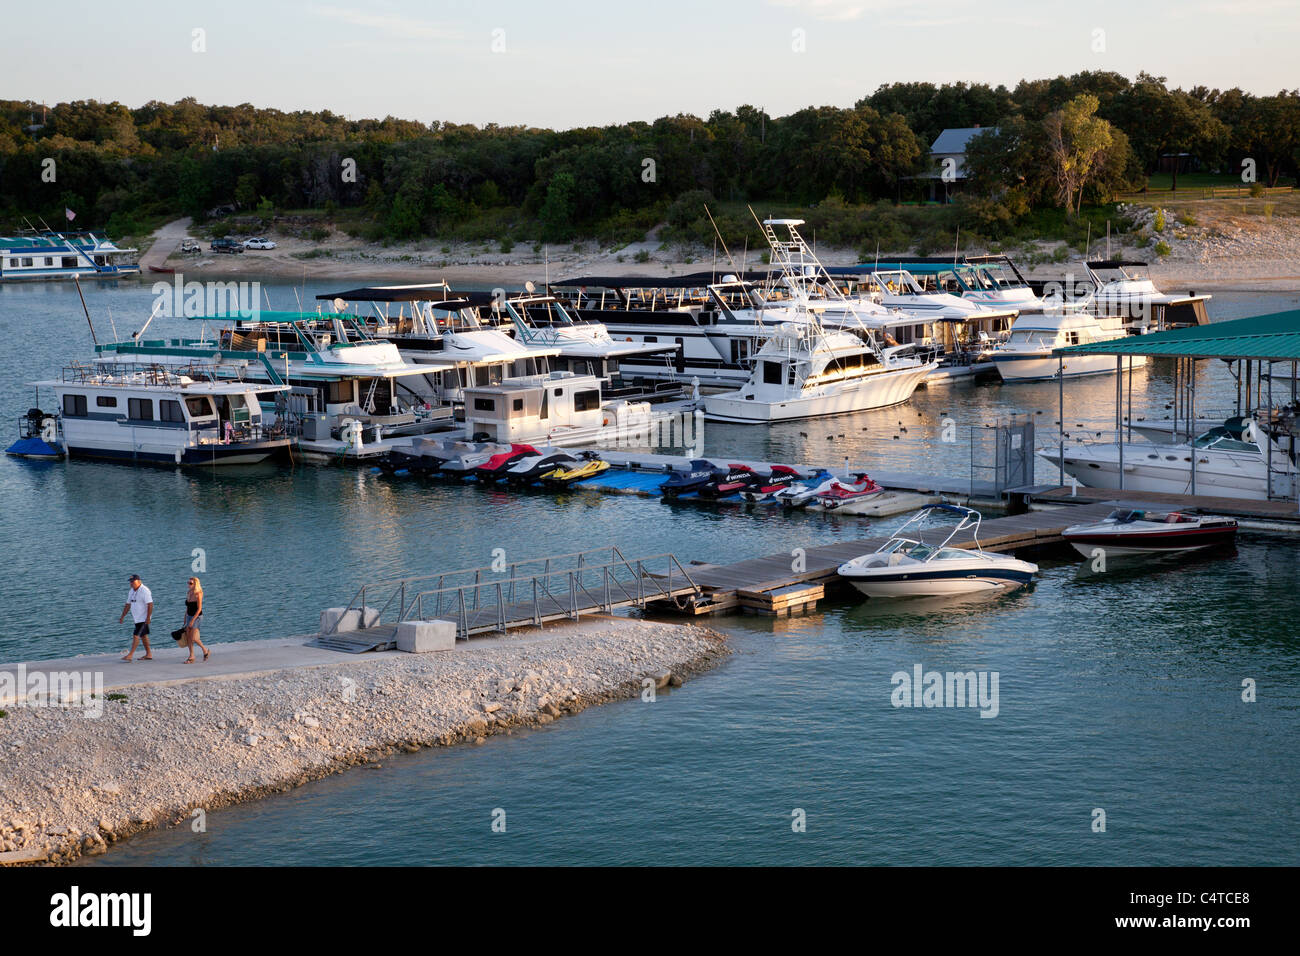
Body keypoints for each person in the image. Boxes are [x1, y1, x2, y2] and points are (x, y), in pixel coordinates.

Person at [118, 574, 153, 662]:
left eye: (133, 581)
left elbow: (150, 604)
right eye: (130, 582)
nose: (131, 583)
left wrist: (148, 618)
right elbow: (128, 604)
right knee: (143, 636)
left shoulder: (145, 590)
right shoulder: (131, 591)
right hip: (136, 618)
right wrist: (122, 616)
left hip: (143, 618)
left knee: (136, 635)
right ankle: (149, 654)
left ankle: (130, 655)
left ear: (139, 581)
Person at [183, 576, 209, 663]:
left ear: (195, 584)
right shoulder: (189, 592)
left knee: (193, 637)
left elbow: (199, 609)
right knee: (188, 637)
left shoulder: (198, 593)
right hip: (189, 616)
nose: (188, 584)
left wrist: (192, 621)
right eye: (188, 582)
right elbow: (188, 607)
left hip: (197, 617)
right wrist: (185, 618)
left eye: (190, 583)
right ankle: (191, 656)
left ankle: (205, 650)